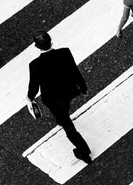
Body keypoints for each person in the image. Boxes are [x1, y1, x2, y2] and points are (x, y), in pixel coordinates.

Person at [26, 31, 92, 164]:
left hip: (52, 99)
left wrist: (30, 97)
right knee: (65, 107)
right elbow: (75, 71)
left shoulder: (35, 65)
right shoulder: (65, 53)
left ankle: (84, 152)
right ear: (51, 41)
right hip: (69, 91)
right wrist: (83, 87)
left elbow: (34, 85)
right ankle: (63, 117)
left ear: (36, 46)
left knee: (69, 127)